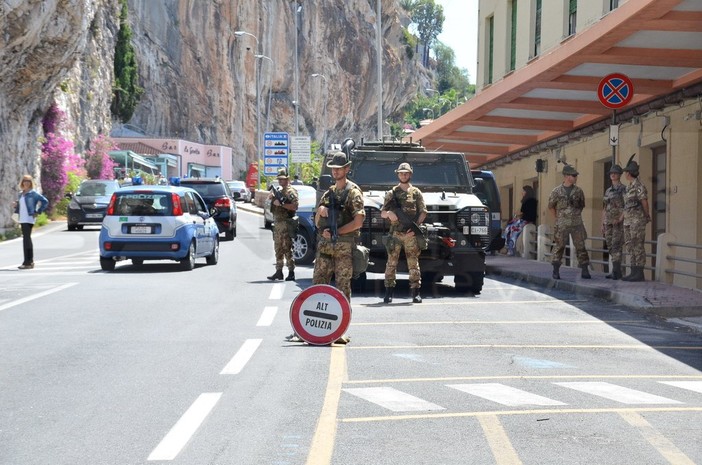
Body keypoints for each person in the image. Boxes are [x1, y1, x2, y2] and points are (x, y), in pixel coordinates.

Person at [286, 151, 364, 344]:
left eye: (339, 168)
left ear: (347, 169)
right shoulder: (329, 192)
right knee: (317, 287)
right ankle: (306, 329)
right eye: (333, 169)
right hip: (326, 248)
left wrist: (340, 232)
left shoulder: (353, 192)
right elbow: (316, 220)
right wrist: (321, 213)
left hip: (344, 248)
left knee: (343, 288)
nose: (335, 171)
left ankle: (341, 331)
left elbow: (359, 221)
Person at [380, 162, 427, 303]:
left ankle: (415, 292)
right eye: (401, 173)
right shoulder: (391, 193)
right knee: (391, 264)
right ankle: (388, 292)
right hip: (395, 234)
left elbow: (423, 212)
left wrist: (415, 227)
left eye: (406, 173)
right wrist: (389, 214)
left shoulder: (416, 192)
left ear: (410, 174)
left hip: (410, 234)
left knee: (413, 264)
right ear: (398, 174)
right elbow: (382, 213)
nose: (403, 175)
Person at [547, 165, 591, 280]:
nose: (576, 177)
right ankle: (556, 270)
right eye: (574, 175)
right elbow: (551, 207)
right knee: (559, 246)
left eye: (576, 175)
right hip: (562, 224)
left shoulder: (578, 191)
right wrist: (558, 218)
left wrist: (574, 215)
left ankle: (585, 269)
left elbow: (581, 206)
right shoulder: (556, 191)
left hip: (577, 223)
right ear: (566, 176)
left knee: (581, 246)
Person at [620, 154, 650, 282]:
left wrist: (646, 215)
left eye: (625, 172)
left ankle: (639, 272)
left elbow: (644, 201)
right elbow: (626, 205)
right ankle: (633, 271)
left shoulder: (639, 186)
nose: (624, 174)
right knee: (630, 245)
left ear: (629, 173)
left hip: (637, 220)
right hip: (628, 221)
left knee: (638, 244)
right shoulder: (628, 187)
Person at [267, 168, 299, 281]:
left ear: (288, 179)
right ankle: (279, 271)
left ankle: (291, 272)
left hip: (286, 223)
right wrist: (272, 198)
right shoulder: (279, 191)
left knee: (287, 248)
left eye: (283, 179)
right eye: (279, 179)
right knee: (278, 248)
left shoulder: (290, 192)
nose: (280, 181)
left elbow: (294, 206)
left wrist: (281, 204)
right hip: (278, 224)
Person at [12, 175, 49, 270]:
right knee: (26, 239)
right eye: (25, 181)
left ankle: (27, 262)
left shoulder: (33, 193)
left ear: (31, 182)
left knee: (26, 239)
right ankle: (29, 261)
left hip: (29, 218)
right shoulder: (21, 194)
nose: (26, 182)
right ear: (22, 182)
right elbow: (22, 204)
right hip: (22, 218)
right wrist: (16, 204)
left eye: (28, 181)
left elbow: (45, 201)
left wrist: (38, 211)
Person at [601, 164, 626, 279]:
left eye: (615, 173)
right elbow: (605, 207)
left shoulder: (623, 189)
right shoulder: (608, 190)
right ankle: (615, 271)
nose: (613, 175)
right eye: (611, 173)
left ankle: (617, 271)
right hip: (608, 222)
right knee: (610, 245)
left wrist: (620, 218)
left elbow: (627, 206)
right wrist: (602, 223)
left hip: (618, 222)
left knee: (616, 245)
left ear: (619, 175)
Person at [503, 185, 537, 256]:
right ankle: (508, 247)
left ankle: (511, 249)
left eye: (523, 191)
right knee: (508, 228)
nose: (522, 192)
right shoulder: (527, 200)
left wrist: (517, 217)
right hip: (523, 220)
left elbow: (522, 212)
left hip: (526, 221)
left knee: (513, 229)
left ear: (527, 192)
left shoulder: (530, 201)